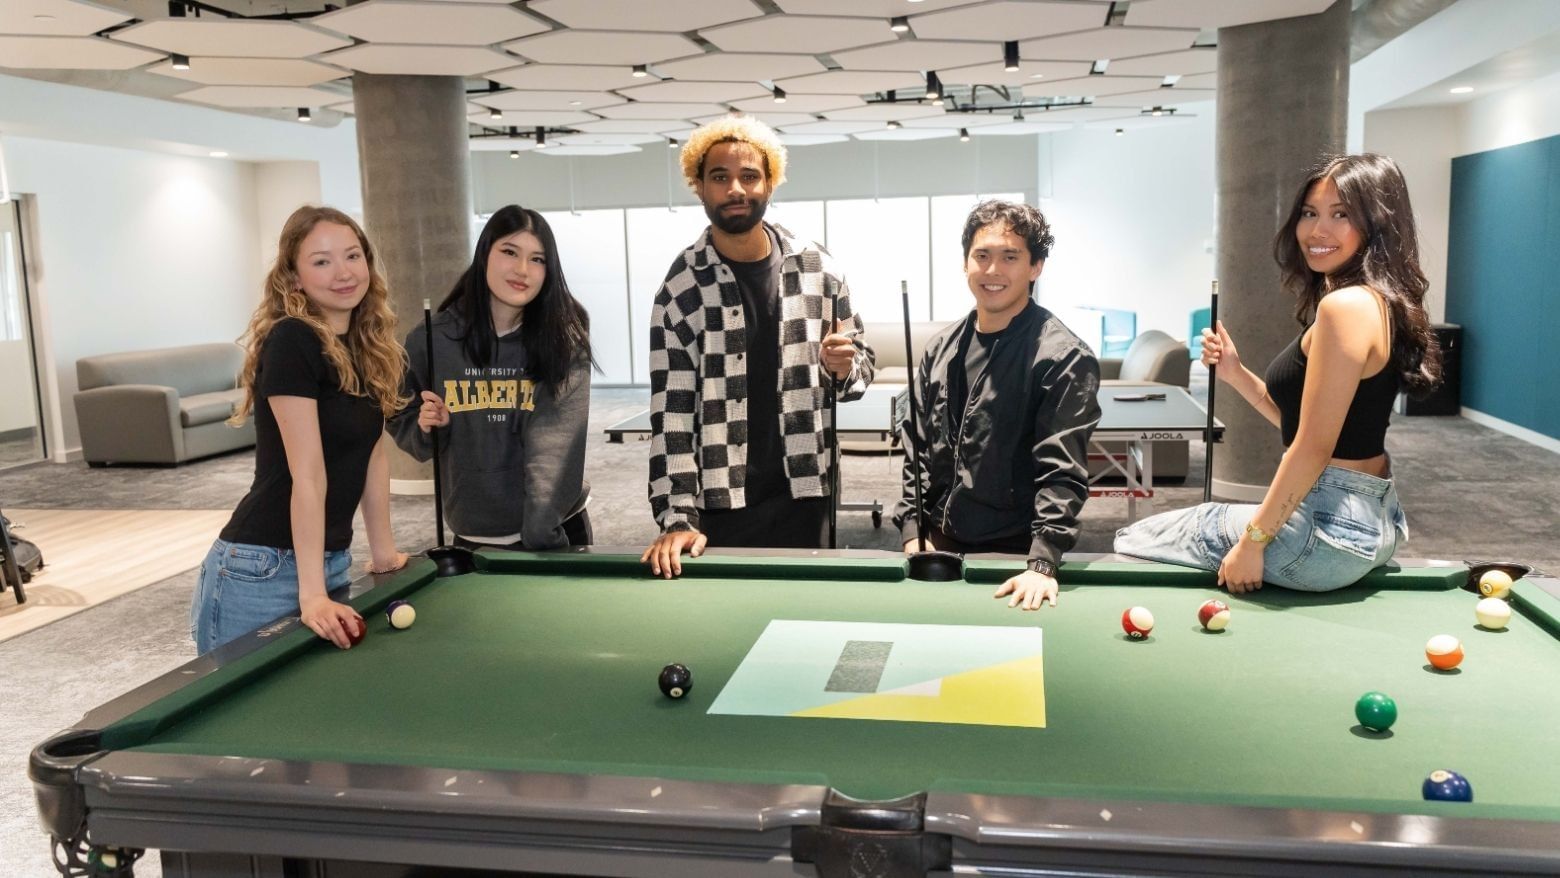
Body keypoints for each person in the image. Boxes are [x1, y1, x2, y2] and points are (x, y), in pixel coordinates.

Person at [1115, 153, 1441, 593]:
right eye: (1309, 213)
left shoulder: (1344, 307)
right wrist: (1235, 373)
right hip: (1371, 522)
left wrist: (1254, 542)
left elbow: (1311, 447)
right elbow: (1311, 426)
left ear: (1378, 224)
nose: (1316, 230)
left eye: (1340, 214)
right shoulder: (1377, 301)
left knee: (1132, 538)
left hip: (1324, 532)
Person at [642, 116, 875, 577]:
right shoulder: (680, 288)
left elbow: (860, 372)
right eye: (720, 177)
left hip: (808, 488)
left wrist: (843, 368)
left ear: (770, 182)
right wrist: (677, 516)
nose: (736, 189)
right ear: (699, 186)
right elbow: (671, 413)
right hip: (720, 498)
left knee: (808, 624)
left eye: (749, 176)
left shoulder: (819, 268)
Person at [192, 206, 410, 655]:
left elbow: (372, 454)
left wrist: (384, 552)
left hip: (327, 559)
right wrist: (311, 593)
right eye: (322, 261)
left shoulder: (365, 344)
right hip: (262, 567)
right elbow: (308, 475)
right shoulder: (293, 339)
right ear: (293, 278)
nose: (343, 273)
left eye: (353, 256)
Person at [894, 200, 1102, 611]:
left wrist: (1042, 562)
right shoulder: (941, 348)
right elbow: (917, 448)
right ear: (966, 262)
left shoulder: (1063, 357)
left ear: (1036, 267)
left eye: (1010, 257)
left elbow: (1062, 471)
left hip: (1016, 556)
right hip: (938, 546)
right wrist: (913, 528)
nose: (992, 270)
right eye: (982, 256)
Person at [388, 205, 594, 551]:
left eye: (538, 259)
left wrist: (542, 536)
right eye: (510, 252)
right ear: (485, 253)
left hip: (551, 533)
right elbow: (401, 417)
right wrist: (426, 429)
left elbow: (554, 449)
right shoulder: (433, 339)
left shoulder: (563, 344)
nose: (522, 270)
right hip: (471, 535)